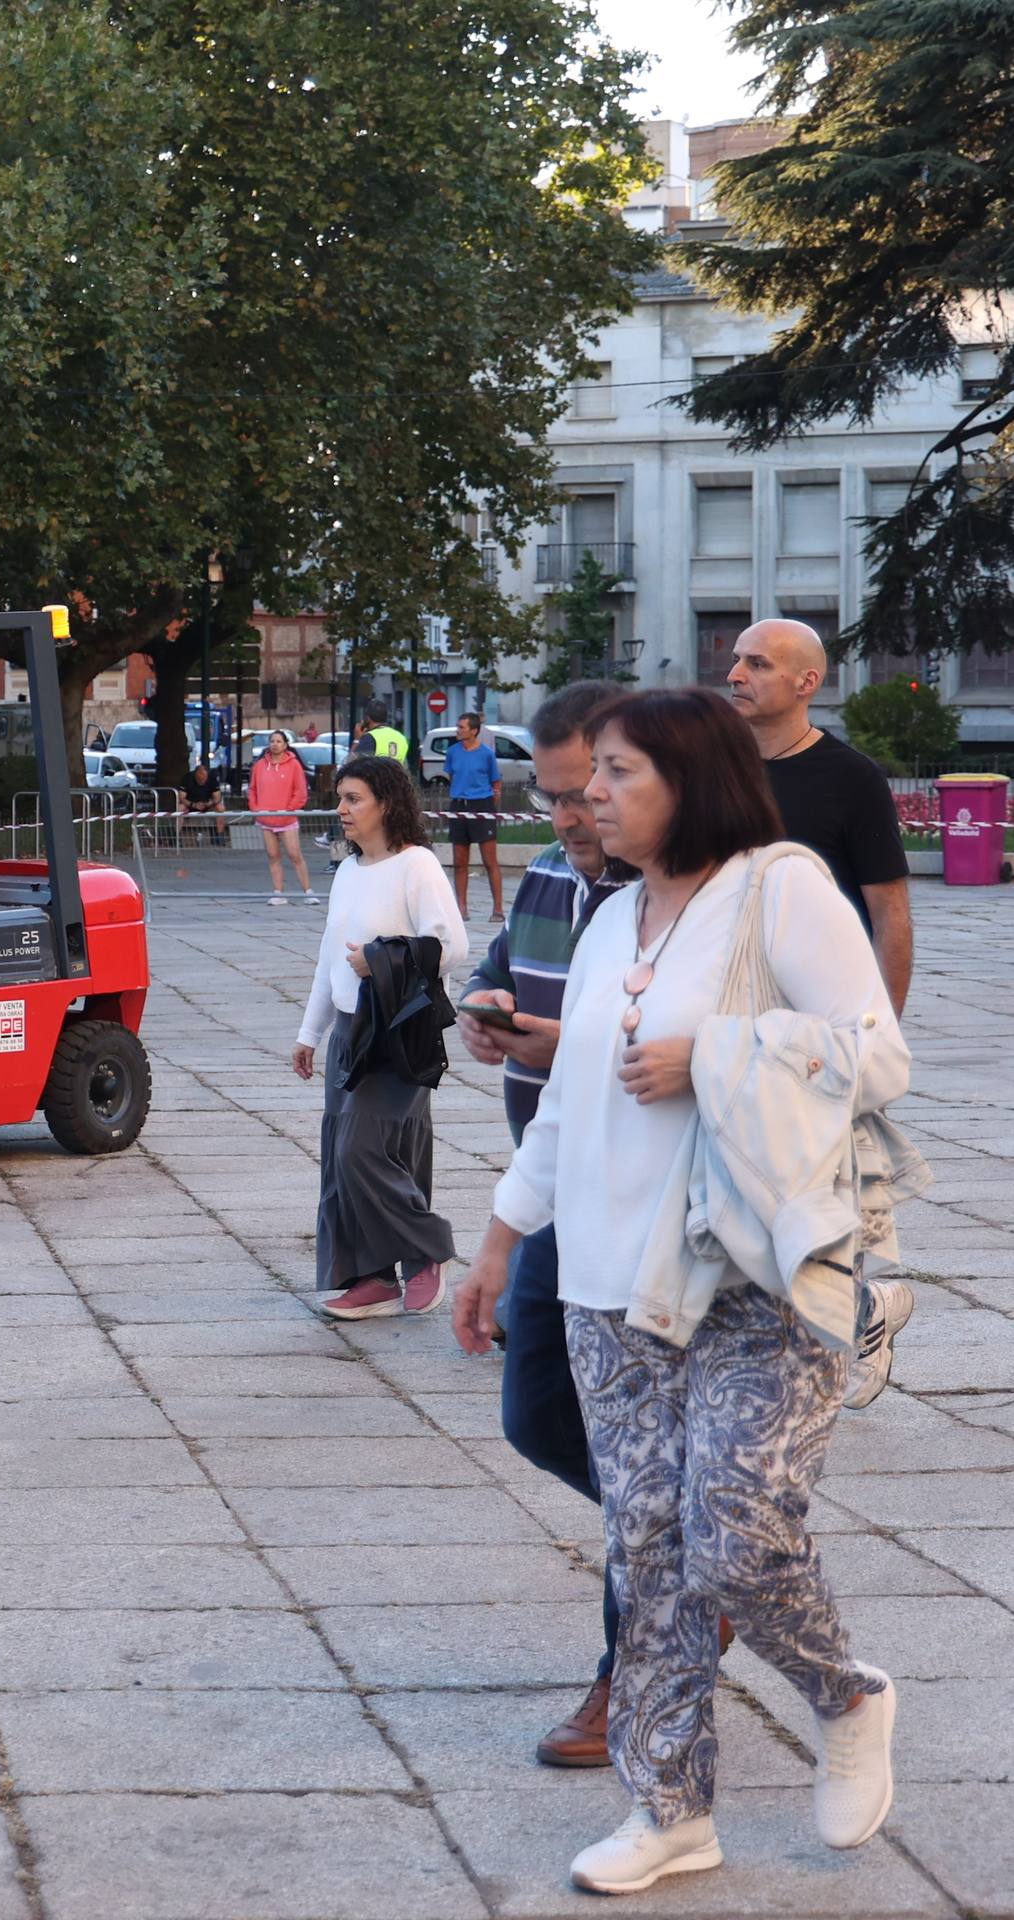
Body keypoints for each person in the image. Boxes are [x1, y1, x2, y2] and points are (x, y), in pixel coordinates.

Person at [452, 688, 904, 1897]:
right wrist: (498, 1241)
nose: (587, 795)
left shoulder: (780, 890)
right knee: (645, 1553)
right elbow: (568, 1103)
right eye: (588, 774)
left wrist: (712, 1054)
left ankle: (843, 1694)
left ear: (688, 779)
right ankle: (667, 1810)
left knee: (738, 1538)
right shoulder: (612, 920)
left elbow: (877, 1053)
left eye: (615, 773)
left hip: (751, 1272)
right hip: (607, 1285)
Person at [451, 680, 636, 1768]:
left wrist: (562, 1045)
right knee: (535, 1419)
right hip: (550, 1186)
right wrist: (482, 1015)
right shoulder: (550, 878)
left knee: (625, 1433)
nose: (571, 815)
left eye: (588, 791)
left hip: (643, 1204)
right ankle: (696, 1560)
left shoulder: (675, 895)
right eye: (557, 795)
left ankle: (632, 1666)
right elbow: (493, 973)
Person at [724, 617, 917, 1405]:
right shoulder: (716, 770)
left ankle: (860, 1310)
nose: (735, 674)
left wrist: (876, 1033)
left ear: (807, 682)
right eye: (736, 660)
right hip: (728, 1021)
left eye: (757, 663)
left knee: (823, 1195)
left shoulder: (850, 778)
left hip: (817, 1028)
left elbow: (890, 912)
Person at [294, 754, 467, 1319]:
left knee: (361, 1151)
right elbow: (328, 958)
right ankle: (372, 1279)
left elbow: (452, 947)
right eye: (340, 799)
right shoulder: (347, 871)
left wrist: (381, 958)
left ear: (386, 804)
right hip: (349, 1033)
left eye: (353, 799)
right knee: (344, 1157)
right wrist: (310, 1032)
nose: (341, 809)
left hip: (398, 1032)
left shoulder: (418, 865)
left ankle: (428, 1248)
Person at [440, 711, 506, 920]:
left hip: (482, 805)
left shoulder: (486, 754)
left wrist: (490, 805)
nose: (458, 730)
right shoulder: (452, 752)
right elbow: (452, 776)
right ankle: (461, 908)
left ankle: (498, 909)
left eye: (462, 727)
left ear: (474, 730)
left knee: (489, 860)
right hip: (459, 805)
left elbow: (496, 782)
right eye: (458, 726)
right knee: (459, 861)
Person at [249, 730, 316, 904]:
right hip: (265, 818)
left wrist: (289, 810)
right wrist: (256, 809)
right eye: (272, 741)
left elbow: (300, 792)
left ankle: (308, 892)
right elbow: (252, 789)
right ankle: (278, 892)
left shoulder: (294, 765)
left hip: (287, 819)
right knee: (273, 855)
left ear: (285, 745)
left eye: (279, 741)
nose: (275, 744)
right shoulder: (260, 766)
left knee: (295, 854)